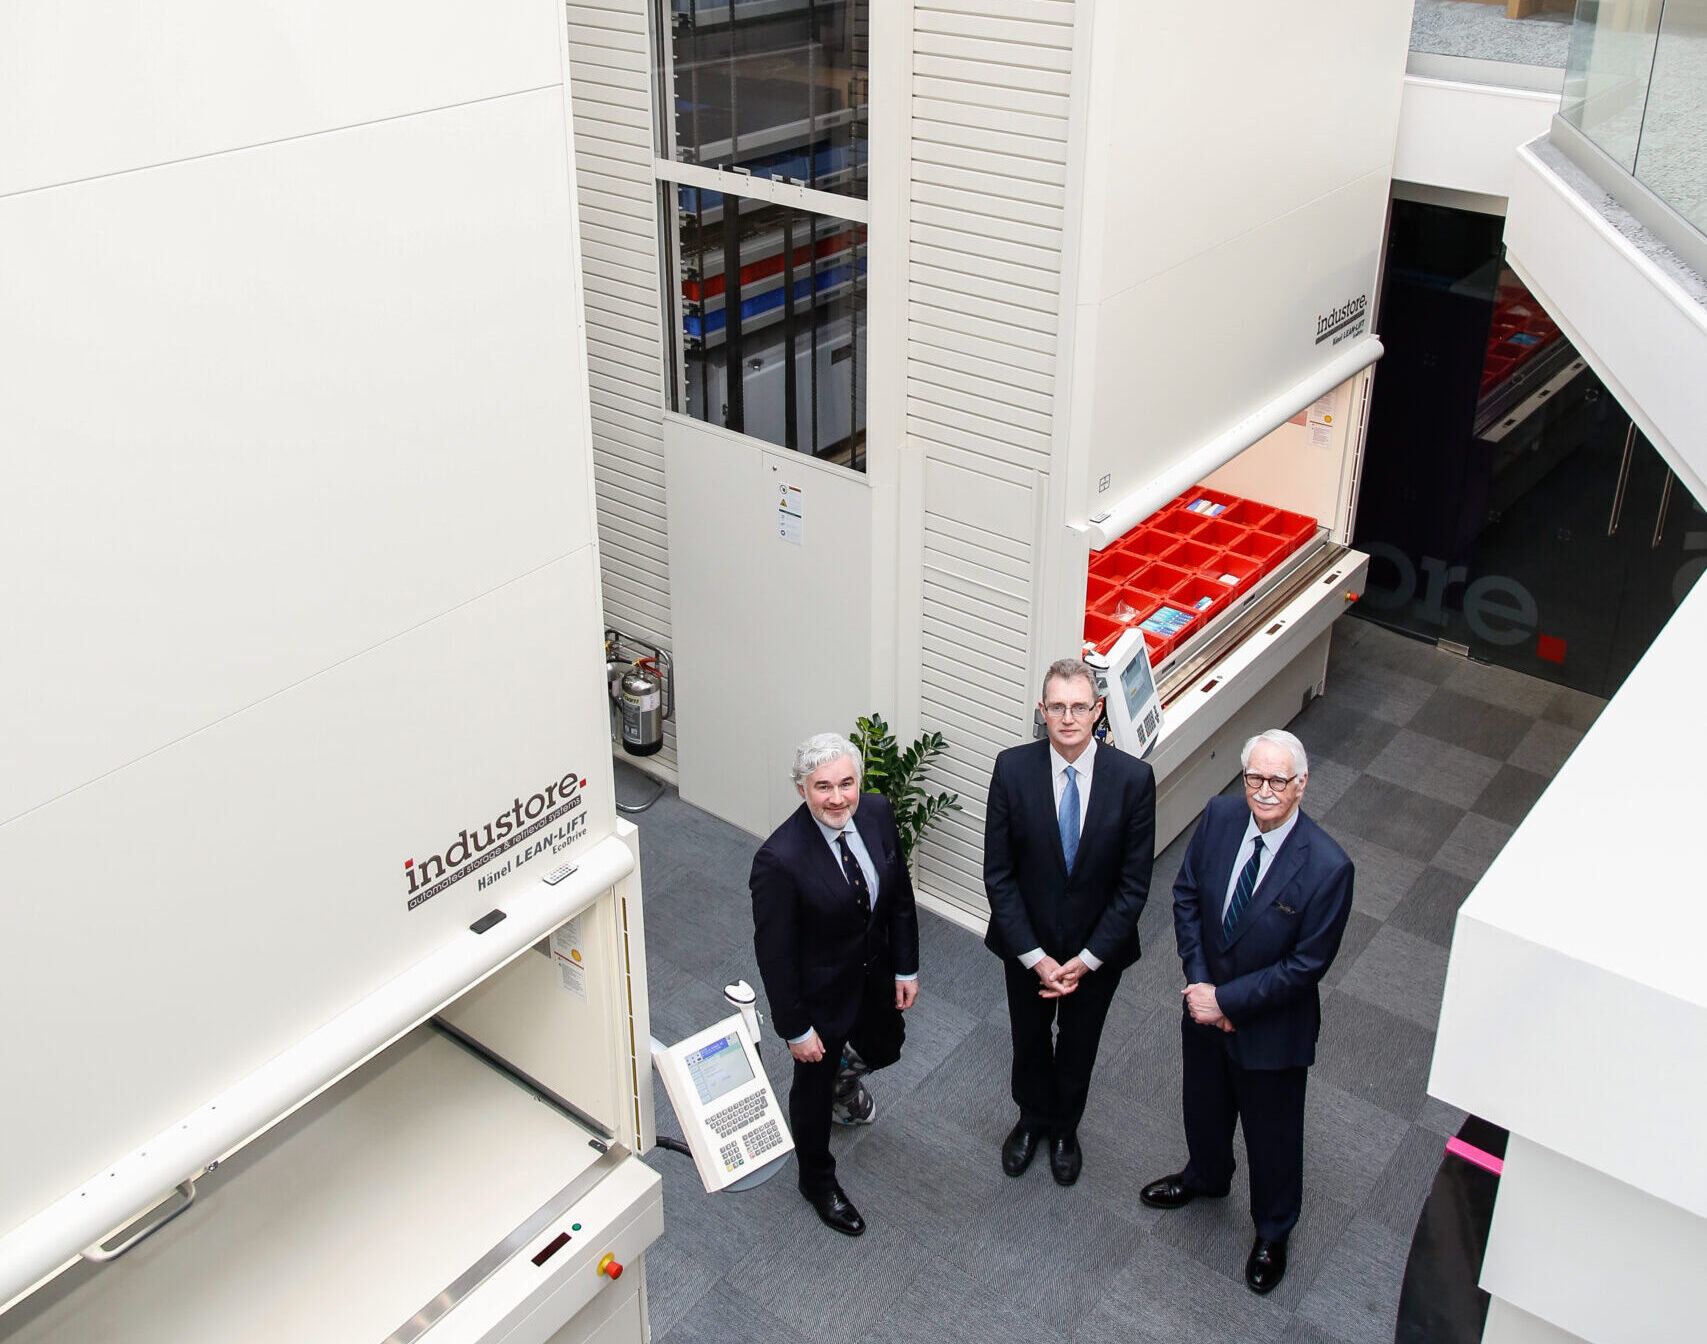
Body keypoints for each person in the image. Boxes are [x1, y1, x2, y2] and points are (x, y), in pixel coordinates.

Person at [1141, 728, 1354, 1295]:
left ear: (1301, 785)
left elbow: (1305, 966)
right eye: (1254, 778)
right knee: (1203, 1110)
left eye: (1277, 780)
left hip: (1272, 1033)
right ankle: (1206, 1177)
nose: (1263, 791)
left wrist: (1228, 1003)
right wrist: (1202, 983)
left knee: (1273, 1138)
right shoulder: (1217, 818)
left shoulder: (1329, 867)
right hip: (1204, 1009)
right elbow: (1186, 896)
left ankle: (1273, 1231)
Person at [983, 657, 1155, 1186]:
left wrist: (1083, 962)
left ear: (1097, 709)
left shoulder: (1133, 780)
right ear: (1042, 711)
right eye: (1057, 707)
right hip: (1027, 949)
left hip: (1096, 956)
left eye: (1080, 706)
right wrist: (1036, 958)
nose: (1069, 717)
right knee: (1028, 1039)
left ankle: (1064, 1129)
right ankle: (1031, 1119)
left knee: (1079, 1045)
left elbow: (1133, 887)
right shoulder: (1011, 769)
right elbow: (999, 875)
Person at [750, 733, 920, 1236]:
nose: (838, 797)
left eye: (847, 783)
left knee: (888, 1046)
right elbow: (774, 954)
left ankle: (846, 1078)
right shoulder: (779, 860)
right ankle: (816, 1180)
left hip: (875, 974)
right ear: (802, 789)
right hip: (819, 995)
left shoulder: (877, 813)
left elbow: (899, 894)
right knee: (812, 1088)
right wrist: (795, 1028)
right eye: (823, 786)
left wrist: (906, 967)